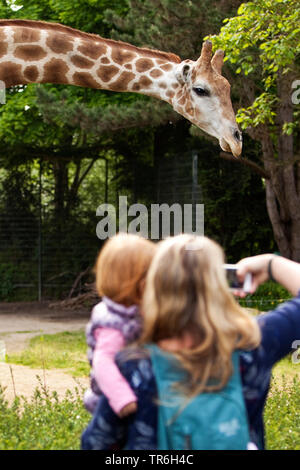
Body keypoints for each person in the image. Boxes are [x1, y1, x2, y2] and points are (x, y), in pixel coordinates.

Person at [81, 236, 300, 450]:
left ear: (153, 287)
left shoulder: (132, 366)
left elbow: (95, 443)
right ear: (220, 286)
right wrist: (271, 264)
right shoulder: (254, 344)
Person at [83, 233, 156, 418]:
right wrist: (123, 400)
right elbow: (103, 363)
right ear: (133, 281)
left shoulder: (136, 310)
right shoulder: (113, 323)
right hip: (113, 404)